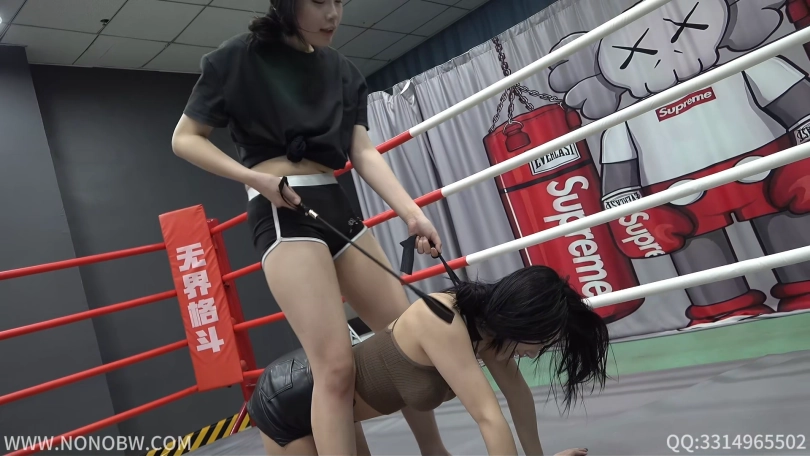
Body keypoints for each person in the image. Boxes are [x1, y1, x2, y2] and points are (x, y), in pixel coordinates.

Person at [170, 1, 444, 454]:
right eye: (319, 1)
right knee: (335, 367)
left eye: (339, 1)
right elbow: (184, 138)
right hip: (279, 208)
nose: (333, 14)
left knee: (405, 339)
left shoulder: (343, 71)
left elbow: (362, 151)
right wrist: (253, 179)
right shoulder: (236, 57)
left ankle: (435, 451)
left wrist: (412, 213)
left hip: (335, 204)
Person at [247, 264, 609, 456]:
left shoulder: (490, 333)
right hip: (289, 400)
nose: (535, 353)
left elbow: (518, 397)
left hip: (338, 410)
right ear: (523, 322)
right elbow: (489, 417)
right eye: (541, 343)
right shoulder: (445, 321)